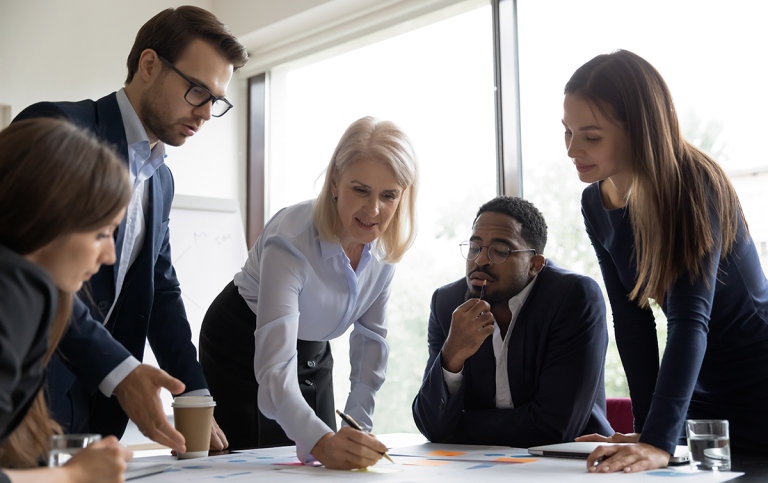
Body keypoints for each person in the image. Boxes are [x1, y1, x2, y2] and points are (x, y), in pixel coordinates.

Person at [12, 6, 249, 452]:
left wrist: (193, 393)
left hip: (97, 407)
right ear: (149, 65)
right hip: (28, 386)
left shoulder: (162, 179)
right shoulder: (60, 128)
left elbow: (160, 289)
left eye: (216, 101)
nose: (204, 114)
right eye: (197, 91)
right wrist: (120, 370)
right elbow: (34, 272)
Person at [563, 49, 768, 473]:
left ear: (637, 130)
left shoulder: (696, 182)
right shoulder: (595, 203)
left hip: (760, 383)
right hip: (701, 395)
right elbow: (633, 323)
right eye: (566, 132)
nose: (572, 149)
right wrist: (652, 432)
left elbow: (689, 318)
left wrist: (659, 438)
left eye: (591, 136)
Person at [199, 116, 418, 468]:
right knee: (263, 465)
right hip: (242, 342)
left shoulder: (382, 251)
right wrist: (319, 441)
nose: (373, 210)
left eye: (388, 195)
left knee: (334, 460)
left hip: (313, 348)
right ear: (334, 182)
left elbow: (371, 344)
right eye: (360, 190)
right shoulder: (292, 240)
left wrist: (358, 429)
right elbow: (274, 368)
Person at [412, 196, 612, 446]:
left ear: (535, 265)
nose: (480, 260)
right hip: (473, 468)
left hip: (571, 464)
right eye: (475, 247)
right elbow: (430, 423)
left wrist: (454, 429)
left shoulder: (573, 297)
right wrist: (452, 355)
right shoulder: (447, 303)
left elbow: (553, 428)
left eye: (500, 251)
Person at [0, 118, 134, 482]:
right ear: (46, 219)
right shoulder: (18, 285)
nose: (109, 255)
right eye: (101, 233)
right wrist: (73, 475)